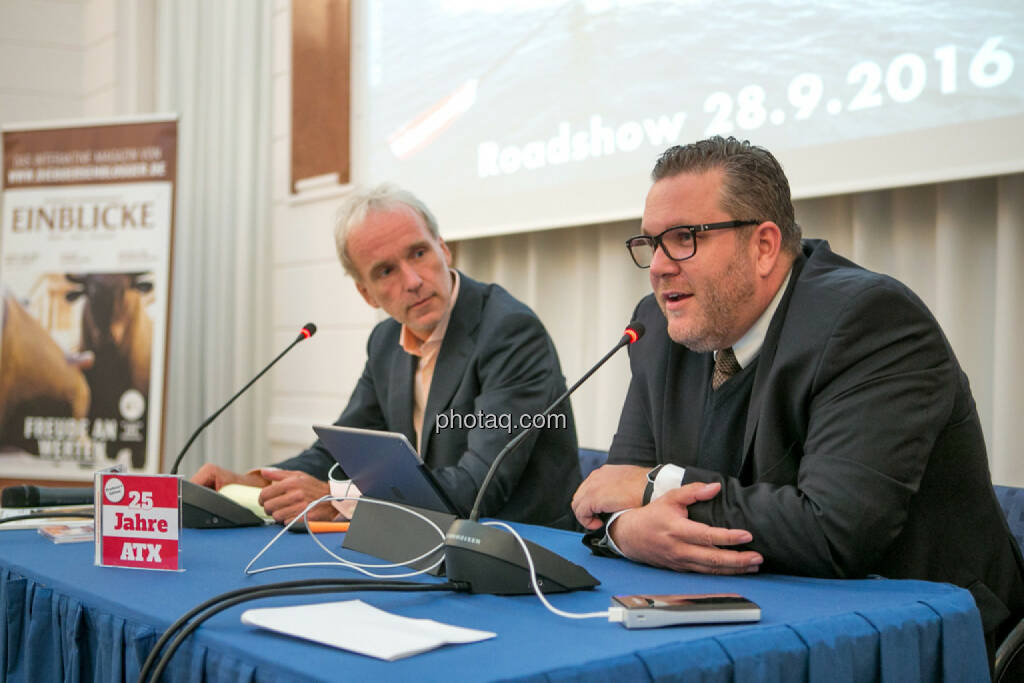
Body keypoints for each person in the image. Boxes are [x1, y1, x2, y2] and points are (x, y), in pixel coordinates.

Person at [571, 136, 1024, 661]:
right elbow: (608, 499)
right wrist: (629, 528)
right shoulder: (659, 325)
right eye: (651, 243)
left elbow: (833, 530)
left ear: (763, 246)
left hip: (919, 641)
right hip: (749, 625)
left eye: (684, 238)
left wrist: (655, 489)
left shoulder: (871, 320)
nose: (659, 266)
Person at [194, 183, 580, 528]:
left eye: (418, 253)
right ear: (366, 294)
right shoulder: (385, 341)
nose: (412, 281)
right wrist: (254, 482)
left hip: (524, 552)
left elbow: (479, 487)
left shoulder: (509, 331)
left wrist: (336, 500)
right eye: (385, 272)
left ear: (443, 249)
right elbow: (340, 452)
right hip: (433, 542)